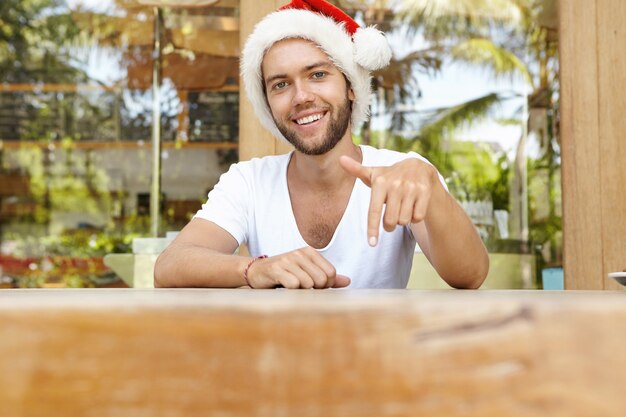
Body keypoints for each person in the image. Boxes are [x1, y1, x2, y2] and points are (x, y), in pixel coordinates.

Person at [154, 0, 489, 289]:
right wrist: (253, 268)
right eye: (281, 84)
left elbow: (470, 275)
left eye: (317, 75)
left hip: (380, 358)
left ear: (352, 86)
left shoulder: (405, 174)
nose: (301, 97)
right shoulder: (249, 181)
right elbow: (170, 266)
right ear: (268, 104)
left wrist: (430, 185)